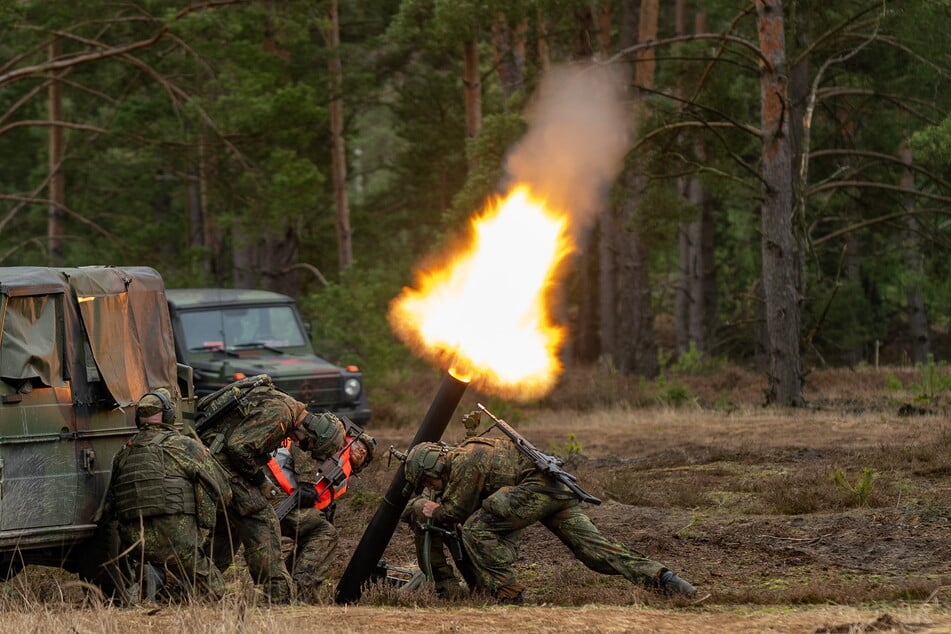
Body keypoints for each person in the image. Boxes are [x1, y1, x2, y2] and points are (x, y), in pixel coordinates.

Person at [401, 434, 698, 604]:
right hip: (553, 490)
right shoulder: (471, 452)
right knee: (594, 552)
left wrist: (425, 508)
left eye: (430, 482)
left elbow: (453, 513)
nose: (433, 488)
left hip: (536, 490)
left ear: (434, 466)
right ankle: (669, 582)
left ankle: (508, 595)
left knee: (475, 531)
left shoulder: (465, 461)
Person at [197, 379, 346, 603]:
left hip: (217, 461)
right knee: (262, 519)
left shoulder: (285, 409)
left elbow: (250, 443)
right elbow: (239, 447)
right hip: (222, 463)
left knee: (227, 530)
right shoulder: (282, 413)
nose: (301, 445)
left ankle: (189, 589)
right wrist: (261, 481)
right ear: (313, 431)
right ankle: (277, 599)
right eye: (308, 445)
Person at [107, 388, 232, 602]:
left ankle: (150, 588)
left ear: (138, 419)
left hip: (136, 546)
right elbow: (223, 491)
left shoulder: (123, 452)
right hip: (178, 543)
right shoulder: (184, 445)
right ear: (169, 416)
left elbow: (112, 502)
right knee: (217, 596)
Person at [261, 431, 376, 602]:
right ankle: (301, 593)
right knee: (325, 533)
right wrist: (306, 480)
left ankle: (281, 592)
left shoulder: (341, 474)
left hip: (278, 496)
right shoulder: (331, 443)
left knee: (314, 534)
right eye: (360, 445)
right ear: (349, 441)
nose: (362, 451)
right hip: (271, 487)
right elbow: (301, 444)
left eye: (365, 454)